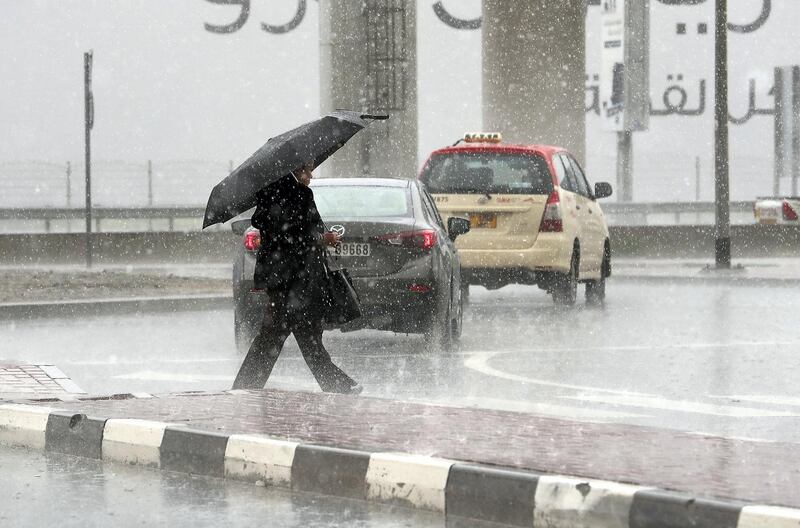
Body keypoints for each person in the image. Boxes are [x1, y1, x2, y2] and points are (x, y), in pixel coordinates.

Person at [232, 162, 362, 394]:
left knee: (294, 334)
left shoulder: (269, 194)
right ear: (292, 171)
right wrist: (324, 238)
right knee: (285, 335)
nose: (310, 175)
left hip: (280, 277)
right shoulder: (298, 194)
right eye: (305, 170)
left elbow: (279, 232)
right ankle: (245, 387)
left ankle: (245, 386)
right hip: (297, 278)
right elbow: (296, 234)